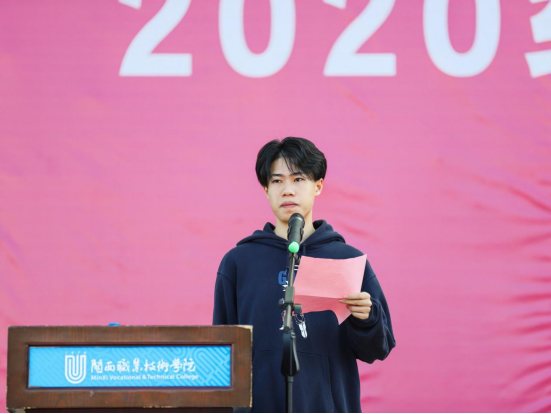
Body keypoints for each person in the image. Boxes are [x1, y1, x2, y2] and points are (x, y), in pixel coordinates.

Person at [213, 137, 396, 413]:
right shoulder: (238, 263)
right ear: (265, 189)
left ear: (318, 185)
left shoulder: (347, 260)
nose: (287, 190)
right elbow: (222, 355)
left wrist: (367, 318)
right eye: (277, 181)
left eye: (298, 179)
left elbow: (377, 350)